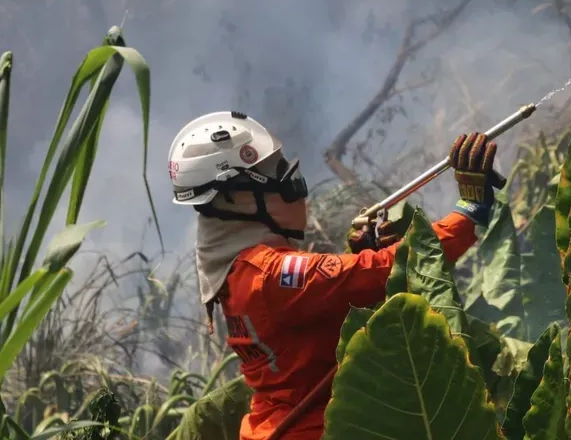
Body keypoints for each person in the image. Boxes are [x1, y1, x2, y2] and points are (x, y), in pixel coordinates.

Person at [168, 110, 504, 440]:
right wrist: (469, 211)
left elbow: (318, 311)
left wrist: (360, 253)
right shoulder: (269, 273)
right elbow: (382, 269)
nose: (298, 192)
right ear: (238, 199)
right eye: (286, 183)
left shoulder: (240, 270)